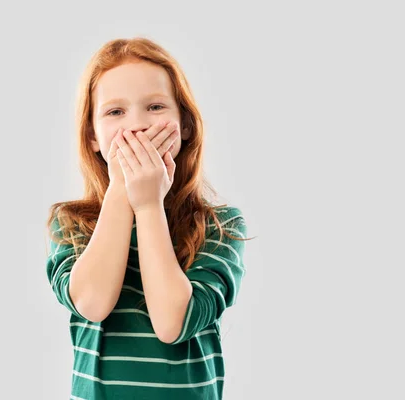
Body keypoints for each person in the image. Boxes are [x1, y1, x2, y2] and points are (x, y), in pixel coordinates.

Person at [45, 36, 254, 400]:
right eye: (115, 112)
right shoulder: (71, 223)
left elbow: (173, 323)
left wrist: (148, 205)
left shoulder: (221, 226)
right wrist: (121, 191)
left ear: (185, 125)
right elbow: (92, 304)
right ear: (93, 136)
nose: (137, 126)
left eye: (155, 107)